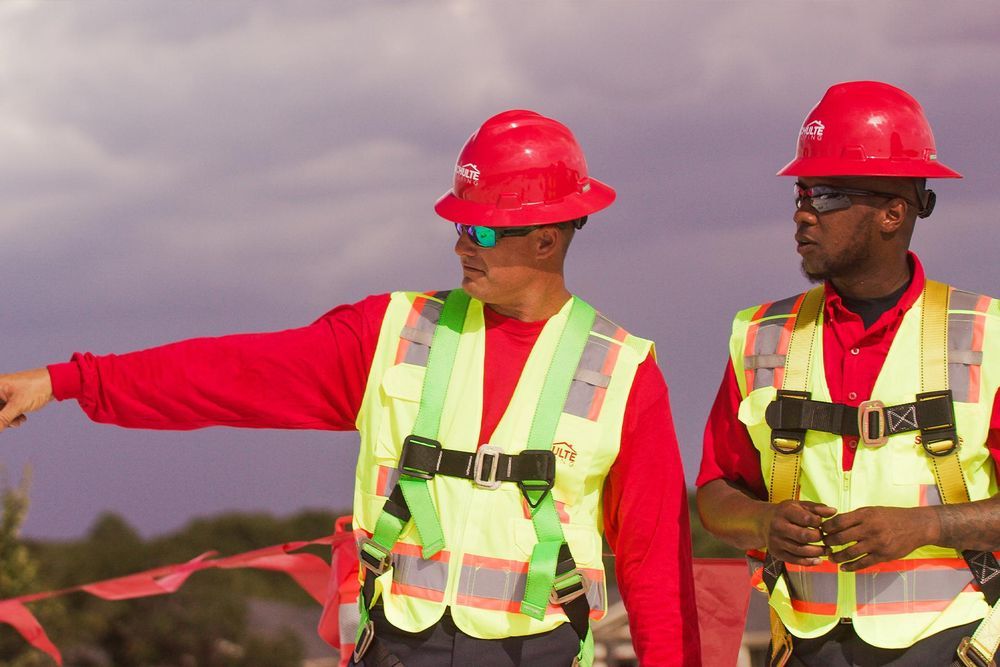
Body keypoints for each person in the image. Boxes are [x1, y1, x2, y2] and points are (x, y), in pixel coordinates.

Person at [0, 110, 700, 666]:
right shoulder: (389, 334)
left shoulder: (622, 373)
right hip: (397, 649)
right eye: (458, 225)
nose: (461, 244)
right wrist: (66, 380)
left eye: (481, 228)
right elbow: (228, 374)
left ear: (546, 241)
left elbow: (657, 573)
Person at [696, 80, 1000, 666]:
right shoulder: (761, 334)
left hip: (950, 643)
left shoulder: (988, 335)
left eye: (828, 195)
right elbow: (714, 492)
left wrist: (927, 525)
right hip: (804, 646)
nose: (803, 213)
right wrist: (762, 521)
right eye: (801, 193)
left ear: (894, 212)